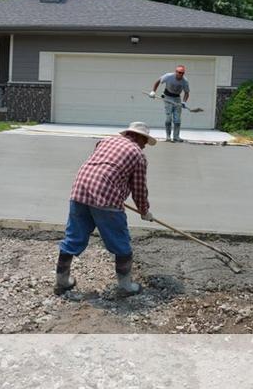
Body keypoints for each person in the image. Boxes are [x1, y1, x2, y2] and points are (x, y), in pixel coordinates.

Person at [54, 122, 156, 297]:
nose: (145, 145)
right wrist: (144, 211)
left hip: (80, 190)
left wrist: (117, 191)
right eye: (145, 140)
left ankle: (61, 282)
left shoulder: (106, 141)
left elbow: (105, 168)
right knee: (120, 242)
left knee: (73, 237)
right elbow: (139, 188)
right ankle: (125, 286)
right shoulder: (138, 155)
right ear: (138, 137)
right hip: (106, 198)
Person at [149, 65, 190, 142]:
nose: (181, 74)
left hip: (177, 98)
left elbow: (187, 93)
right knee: (168, 119)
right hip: (167, 97)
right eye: (179, 72)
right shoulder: (168, 76)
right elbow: (158, 81)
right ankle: (168, 137)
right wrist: (153, 91)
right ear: (176, 72)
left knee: (177, 120)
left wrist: (184, 102)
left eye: (182, 73)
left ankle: (176, 137)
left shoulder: (185, 81)